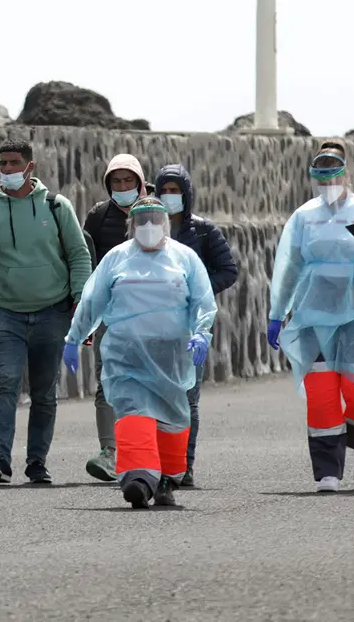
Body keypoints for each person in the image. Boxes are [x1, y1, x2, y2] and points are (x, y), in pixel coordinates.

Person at [62, 198, 216, 508]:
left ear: (165, 223)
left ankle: (167, 478)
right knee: (134, 411)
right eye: (141, 220)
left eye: (154, 219)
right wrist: (74, 337)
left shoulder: (184, 259)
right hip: (126, 356)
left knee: (172, 421)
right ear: (131, 225)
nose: (148, 226)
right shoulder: (117, 259)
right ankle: (138, 479)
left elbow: (203, 300)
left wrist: (201, 332)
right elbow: (93, 300)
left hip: (170, 359)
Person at [267, 149, 354, 493]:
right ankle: (328, 470)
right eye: (321, 176)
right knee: (322, 392)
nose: (328, 182)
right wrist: (277, 313)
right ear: (313, 178)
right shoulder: (304, 217)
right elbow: (289, 265)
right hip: (314, 312)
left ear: (347, 175)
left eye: (334, 174)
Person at [0, 140, 92, 484]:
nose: (7, 169)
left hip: (53, 311)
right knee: (4, 383)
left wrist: (81, 301)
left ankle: (37, 462)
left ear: (30, 167)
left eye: (14, 163)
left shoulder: (57, 206)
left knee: (43, 391)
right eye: (2, 163)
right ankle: (0, 459)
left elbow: (79, 256)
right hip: (7, 313)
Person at [153, 164, 239, 487]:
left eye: (176, 191)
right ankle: (156, 461)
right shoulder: (146, 227)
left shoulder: (204, 232)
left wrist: (196, 288)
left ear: (186, 194)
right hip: (154, 324)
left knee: (188, 397)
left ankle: (184, 464)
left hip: (191, 327)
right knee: (154, 395)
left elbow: (228, 271)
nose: (169, 197)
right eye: (164, 190)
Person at [80, 153, 148, 482]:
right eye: (116, 182)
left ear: (139, 182)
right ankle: (109, 452)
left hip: (149, 311)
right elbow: (86, 265)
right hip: (109, 313)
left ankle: (149, 451)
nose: (122, 187)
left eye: (128, 181)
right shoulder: (97, 216)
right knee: (107, 381)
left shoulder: (155, 213)